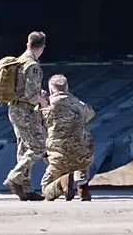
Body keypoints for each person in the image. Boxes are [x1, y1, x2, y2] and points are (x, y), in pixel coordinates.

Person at [4, 30, 49, 201]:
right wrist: (42, 101)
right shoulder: (32, 65)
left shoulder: (19, 61)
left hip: (14, 109)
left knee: (24, 148)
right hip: (25, 111)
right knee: (39, 146)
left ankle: (25, 189)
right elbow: (31, 96)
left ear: (28, 44)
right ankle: (14, 177)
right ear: (42, 48)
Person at [39, 73, 96, 202]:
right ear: (67, 88)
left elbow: (39, 122)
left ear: (51, 89)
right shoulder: (79, 104)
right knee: (82, 144)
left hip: (58, 157)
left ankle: (62, 182)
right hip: (82, 156)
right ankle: (82, 186)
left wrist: (41, 102)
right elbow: (90, 114)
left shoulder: (47, 106)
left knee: (46, 190)